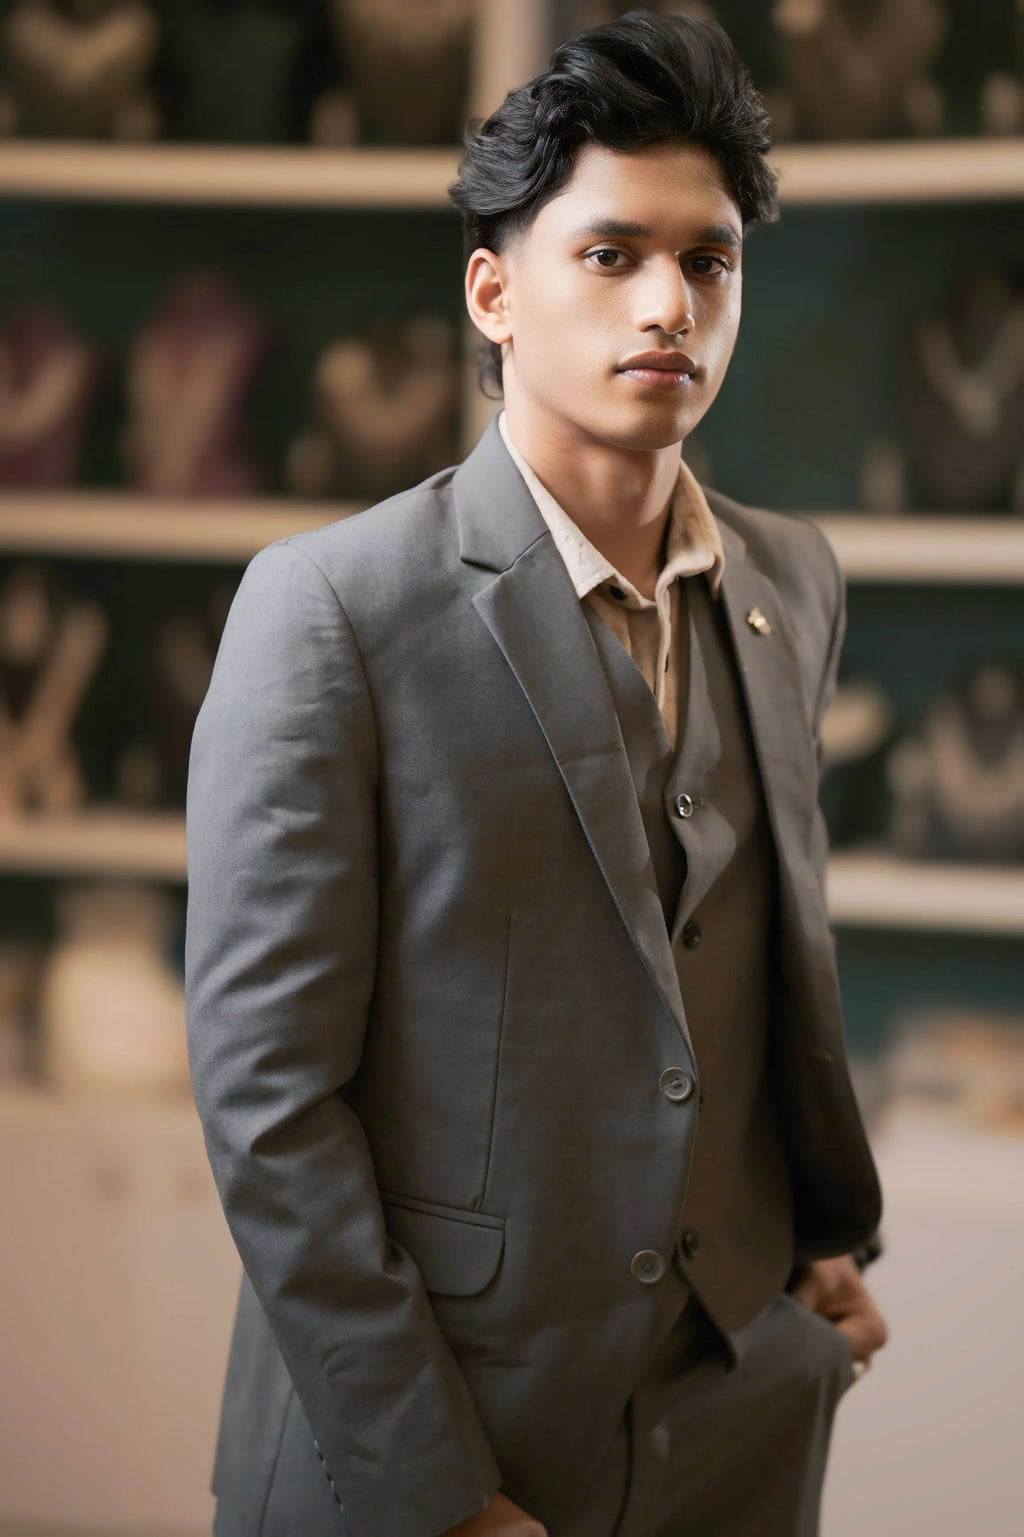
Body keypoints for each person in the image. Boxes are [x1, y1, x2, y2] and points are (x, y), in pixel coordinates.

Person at [184, 11, 889, 1537]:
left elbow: (738, 954)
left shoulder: (794, 579)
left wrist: (801, 1245)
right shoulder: (329, 608)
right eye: (613, 253)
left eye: (709, 262)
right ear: (493, 292)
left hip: (733, 1413)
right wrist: (439, 1493)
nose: (670, 306)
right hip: (441, 1435)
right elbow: (268, 1101)